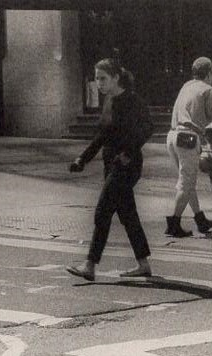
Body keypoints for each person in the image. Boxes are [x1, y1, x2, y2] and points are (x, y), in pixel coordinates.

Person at [66, 58, 153, 280]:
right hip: (111, 165)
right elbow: (101, 136)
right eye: (96, 78)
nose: (99, 83)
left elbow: (148, 129)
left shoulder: (133, 101)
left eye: (103, 78)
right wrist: (82, 159)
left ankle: (90, 265)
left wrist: (129, 152)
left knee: (102, 212)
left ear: (116, 77)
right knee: (128, 215)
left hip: (127, 166)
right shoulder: (109, 101)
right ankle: (143, 264)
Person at [165, 56, 212, 237]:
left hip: (172, 136)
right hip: (187, 138)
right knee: (186, 183)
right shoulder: (209, 90)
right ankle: (173, 224)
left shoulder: (186, 86)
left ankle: (200, 219)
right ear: (210, 72)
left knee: (188, 180)